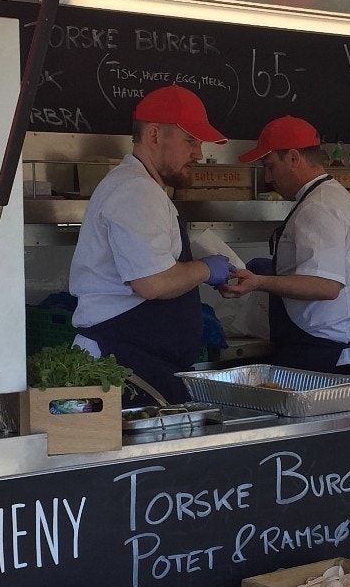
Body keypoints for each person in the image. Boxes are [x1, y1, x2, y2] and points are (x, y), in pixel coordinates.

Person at [68, 84, 234, 404]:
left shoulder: (144, 188)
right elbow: (152, 283)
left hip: (141, 363)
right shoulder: (135, 190)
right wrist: (204, 269)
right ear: (154, 135)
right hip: (121, 366)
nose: (199, 154)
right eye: (190, 141)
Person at [220, 116, 350, 374]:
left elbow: (325, 286)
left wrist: (259, 282)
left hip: (323, 357)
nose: (269, 178)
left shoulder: (319, 207)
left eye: (270, 167)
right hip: (326, 350)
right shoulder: (328, 197)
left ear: (293, 158)